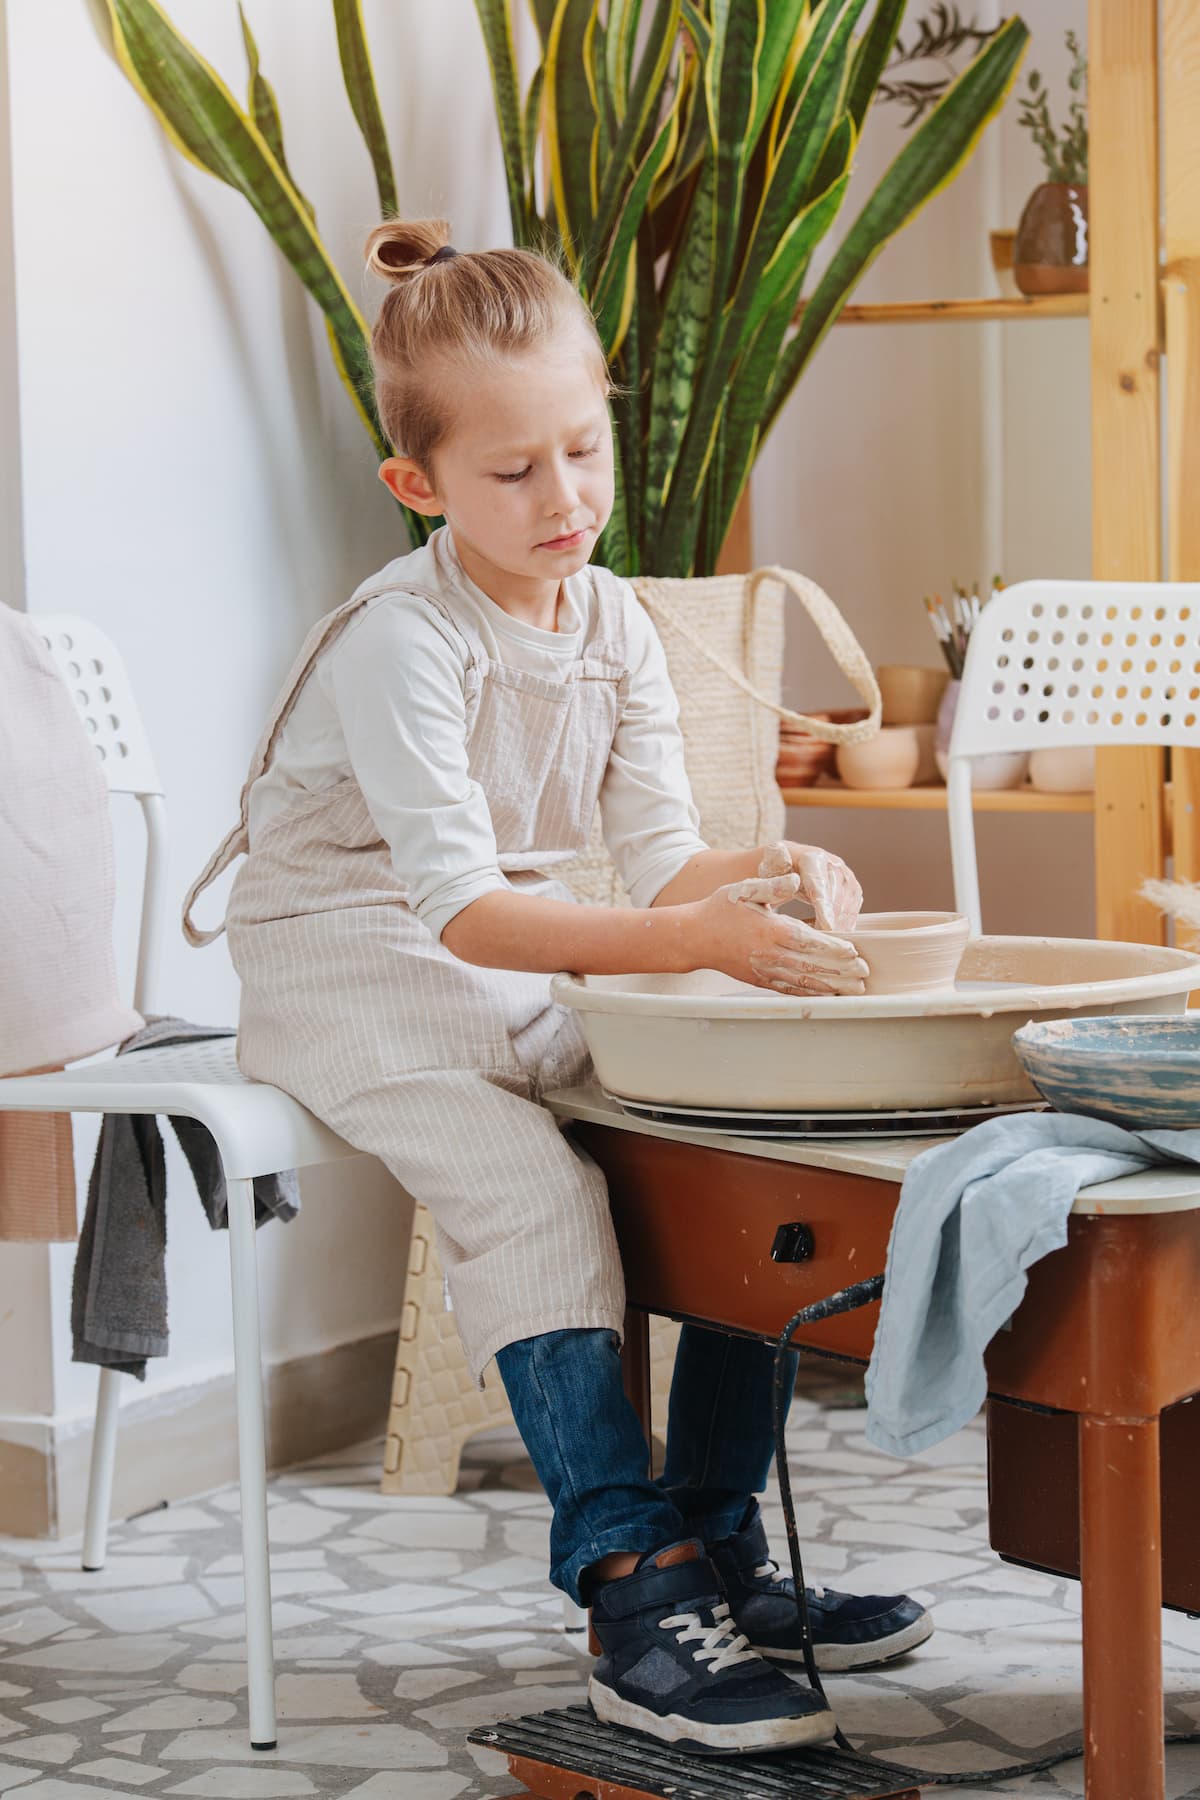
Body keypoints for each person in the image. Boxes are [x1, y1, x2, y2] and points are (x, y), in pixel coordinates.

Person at [182, 220, 932, 1757]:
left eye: (581, 449)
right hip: (349, 954)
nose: (565, 498)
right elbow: (456, 906)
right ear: (421, 488)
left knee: (733, 1134)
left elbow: (658, 865)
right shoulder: (405, 640)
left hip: (515, 937)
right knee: (526, 1185)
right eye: (513, 471)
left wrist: (771, 878)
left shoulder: (616, 624)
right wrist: (689, 940)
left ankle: (719, 1542)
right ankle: (628, 1582)